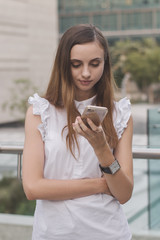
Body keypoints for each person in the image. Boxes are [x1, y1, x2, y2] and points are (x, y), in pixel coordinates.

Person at [22, 24, 133, 240]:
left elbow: (124, 193)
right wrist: (100, 185)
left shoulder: (121, 114)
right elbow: (33, 187)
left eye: (94, 64)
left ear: (105, 63)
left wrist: (102, 149)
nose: (85, 73)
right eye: (76, 64)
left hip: (108, 233)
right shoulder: (40, 112)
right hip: (53, 234)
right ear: (64, 64)